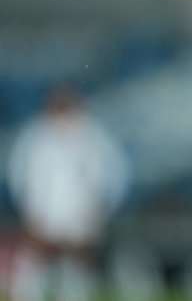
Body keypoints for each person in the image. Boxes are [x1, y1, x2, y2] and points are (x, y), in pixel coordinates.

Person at [6, 84, 130, 301]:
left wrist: (102, 209)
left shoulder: (94, 138)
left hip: (80, 215)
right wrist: (28, 208)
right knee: (36, 266)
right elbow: (18, 174)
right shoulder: (35, 137)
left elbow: (115, 175)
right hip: (44, 214)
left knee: (75, 270)